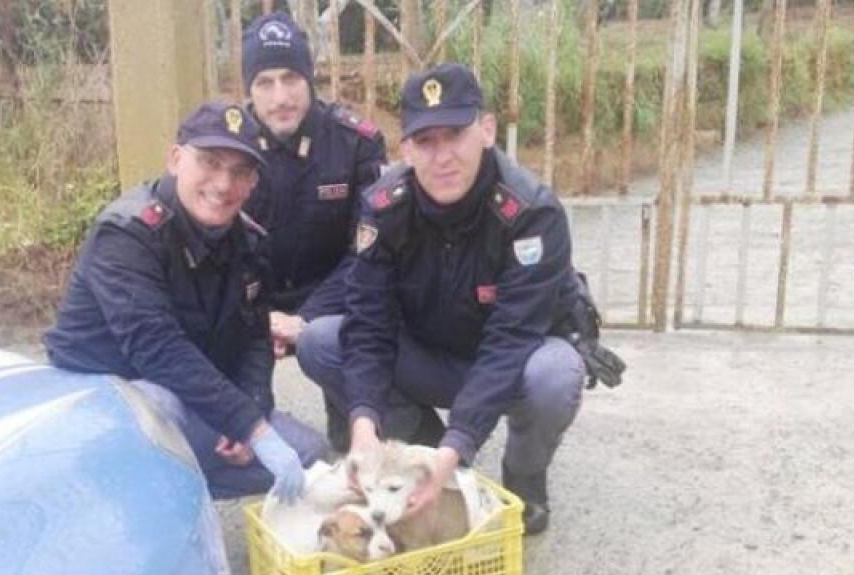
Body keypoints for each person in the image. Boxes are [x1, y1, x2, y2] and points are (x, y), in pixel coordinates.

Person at [297, 63, 624, 534]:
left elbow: (510, 340)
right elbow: (368, 325)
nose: (442, 156)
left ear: (486, 130)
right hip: (426, 356)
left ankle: (523, 477)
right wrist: (363, 423)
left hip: (509, 363)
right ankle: (422, 446)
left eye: (455, 134)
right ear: (405, 148)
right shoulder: (383, 208)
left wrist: (461, 440)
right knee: (322, 340)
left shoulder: (532, 213)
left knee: (557, 374)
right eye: (425, 141)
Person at [44, 102, 327, 502]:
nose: (224, 184)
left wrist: (254, 410)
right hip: (105, 398)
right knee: (160, 409)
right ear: (176, 159)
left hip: (184, 393)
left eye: (240, 171)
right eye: (210, 162)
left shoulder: (248, 242)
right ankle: (114, 486)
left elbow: (255, 340)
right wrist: (250, 426)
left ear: (252, 184)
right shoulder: (127, 235)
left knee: (307, 454)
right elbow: (157, 348)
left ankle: (168, 481)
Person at [240, 11, 387, 447]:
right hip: (255, 297)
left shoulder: (356, 142)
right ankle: (244, 418)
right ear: (248, 90)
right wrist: (258, 317)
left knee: (349, 444)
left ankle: (349, 406)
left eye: (291, 78)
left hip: (333, 295)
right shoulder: (230, 147)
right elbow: (217, 251)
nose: (280, 96)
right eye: (265, 82)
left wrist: (304, 318)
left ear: (310, 79)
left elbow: (367, 251)